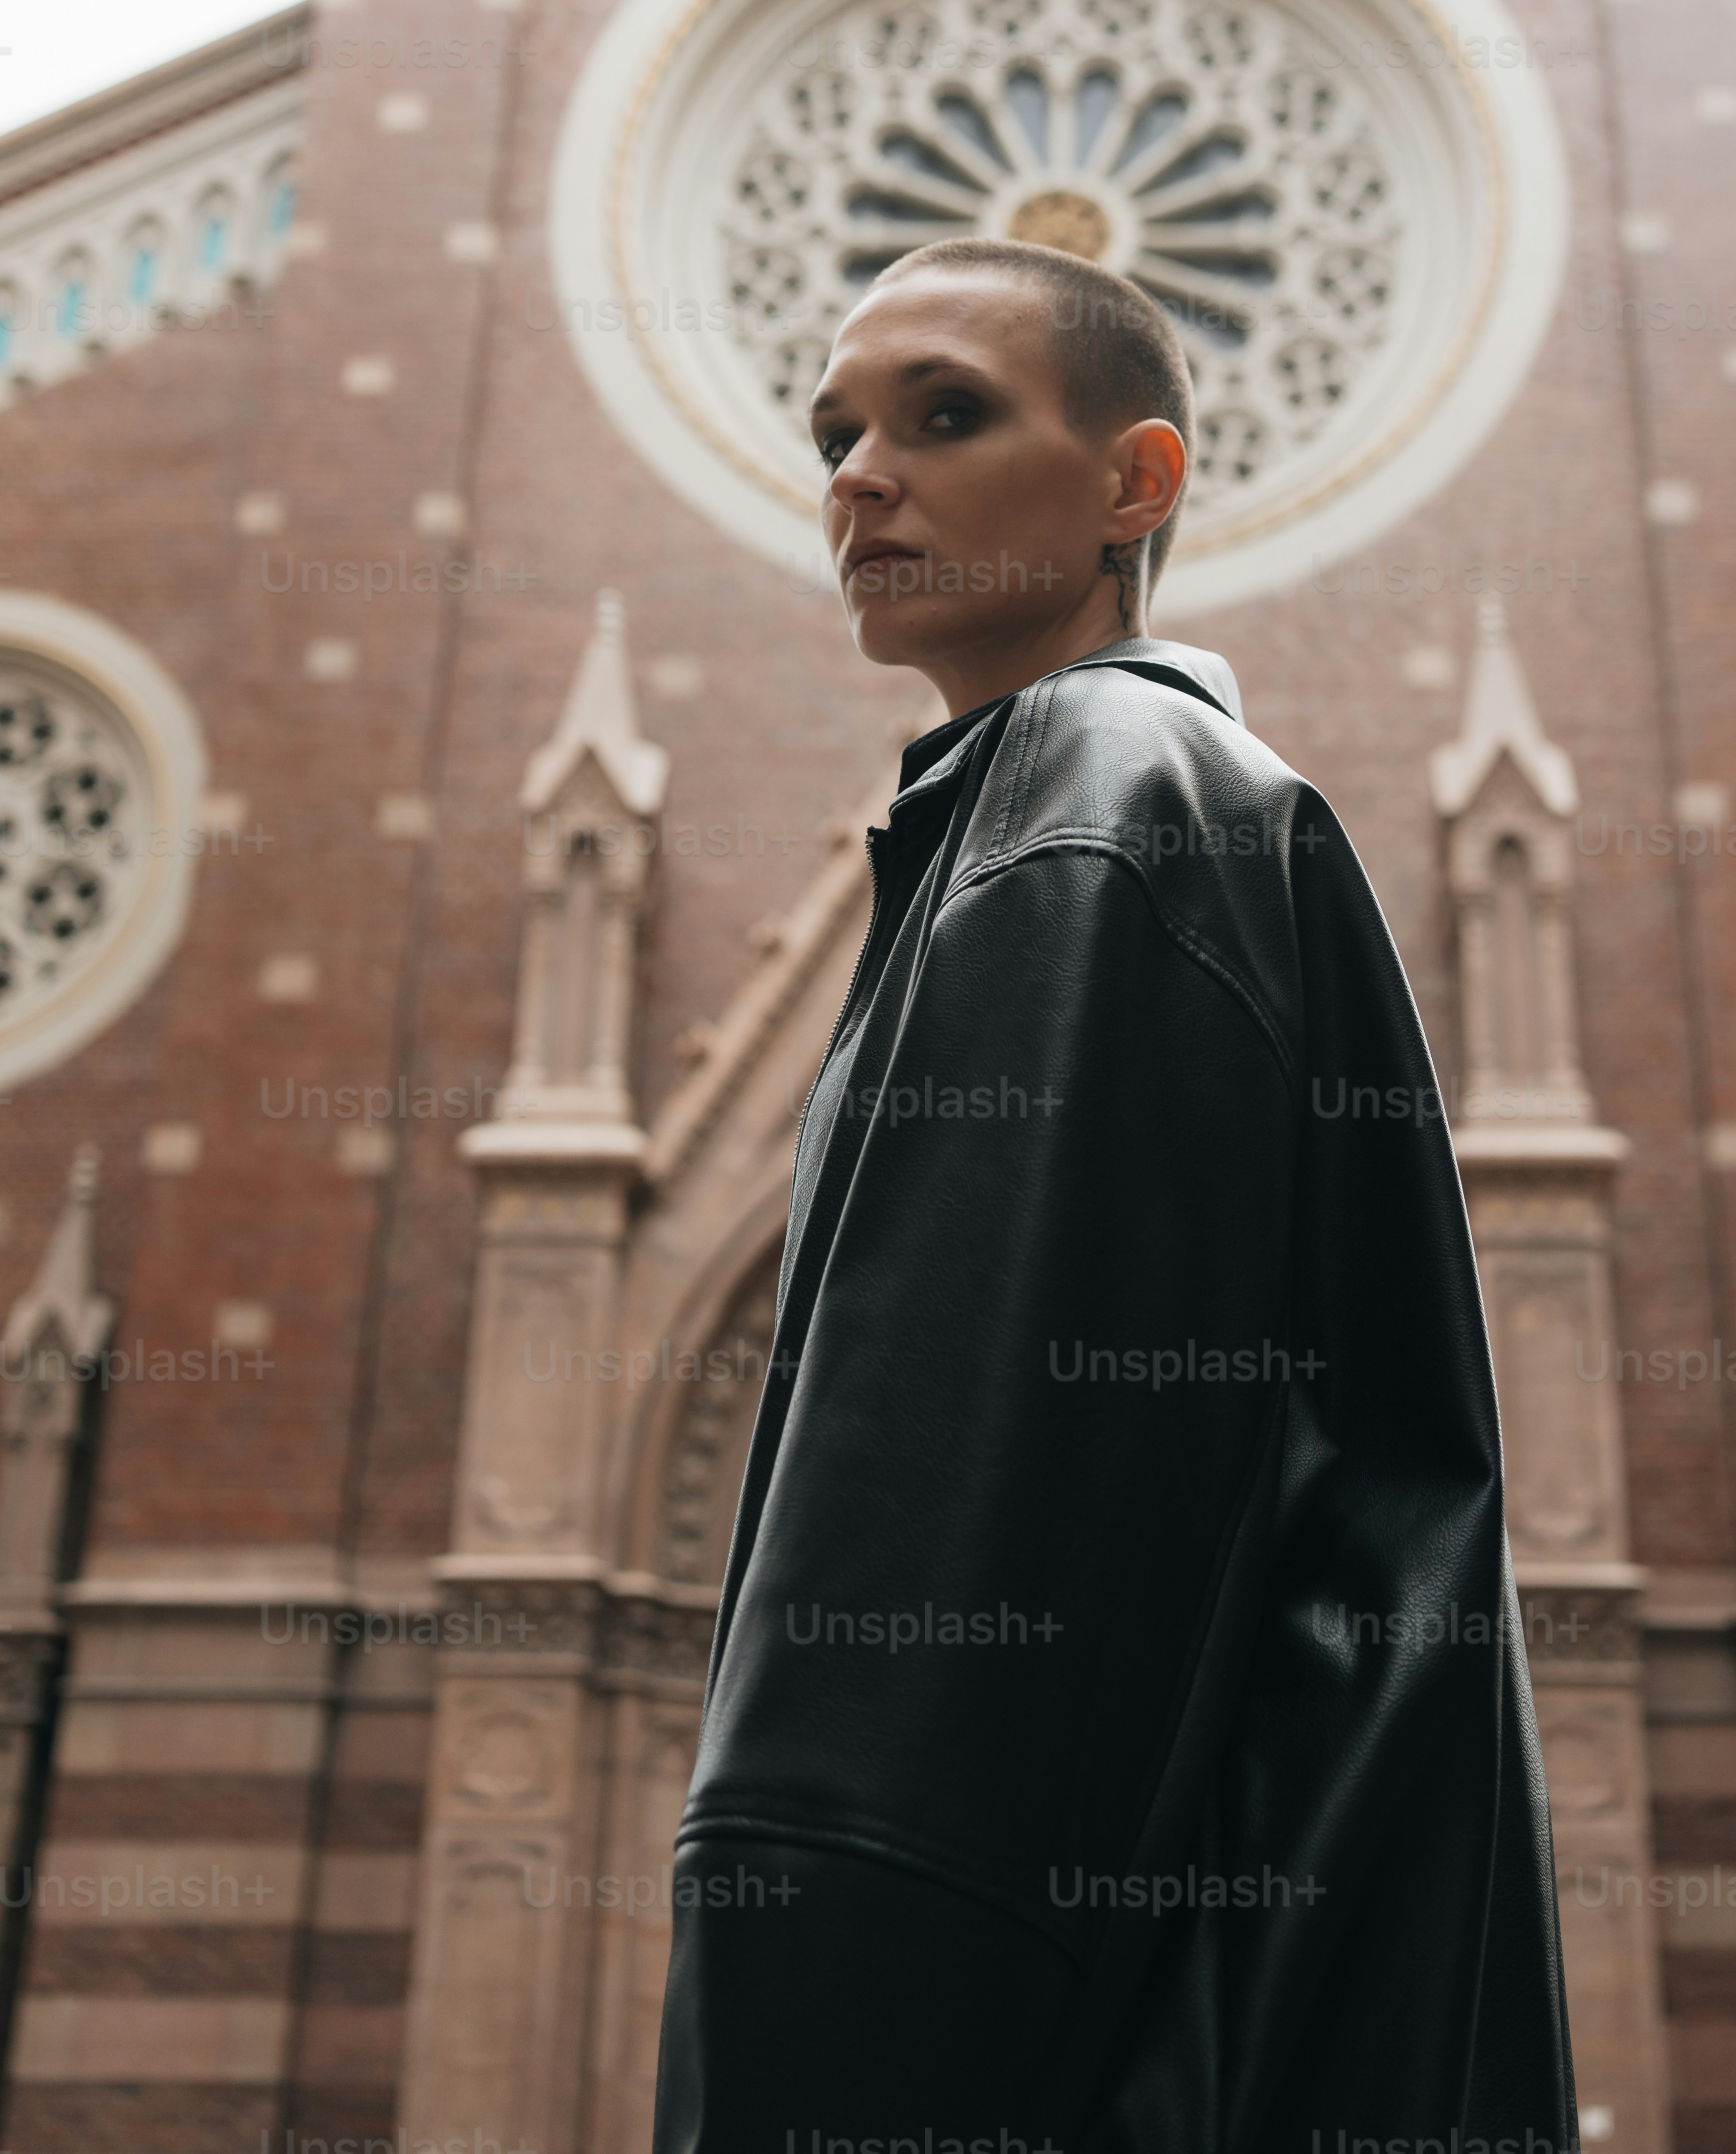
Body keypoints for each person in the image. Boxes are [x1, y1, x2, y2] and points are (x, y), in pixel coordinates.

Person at [651, 236, 1576, 2154]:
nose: (859, 475)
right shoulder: (1108, 803)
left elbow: (961, 1583)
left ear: (1134, 483)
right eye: (833, 431)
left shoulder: (1092, 803)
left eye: (948, 415)